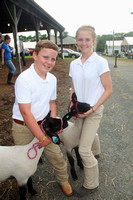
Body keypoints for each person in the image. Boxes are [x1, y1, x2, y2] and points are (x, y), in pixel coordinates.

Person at [12, 40, 72, 196]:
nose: (49, 62)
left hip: (44, 125)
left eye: (53, 59)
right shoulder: (24, 79)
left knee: (57, 156)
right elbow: (25, 112)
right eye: (45, 57)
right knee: (25, 162)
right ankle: (25, 185)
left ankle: (63, 180)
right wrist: (41, 137)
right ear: (34, 55)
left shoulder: (52, 79)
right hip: (23, 127)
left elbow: (52, 102)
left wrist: (52, 124)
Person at [69, 25, 112, 197]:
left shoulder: (100, 62)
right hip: (79, 110)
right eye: (80, 39)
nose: (84, 43)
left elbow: (108, 90)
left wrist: (93, 109)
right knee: (85, 134)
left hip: (93, 110)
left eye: (87, 39)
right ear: (76, 42)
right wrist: (71, 105)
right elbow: (73, 88)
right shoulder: (73, 63)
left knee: (83, 150)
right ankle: (97, 151)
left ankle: (91, 184)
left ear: (93, 40)